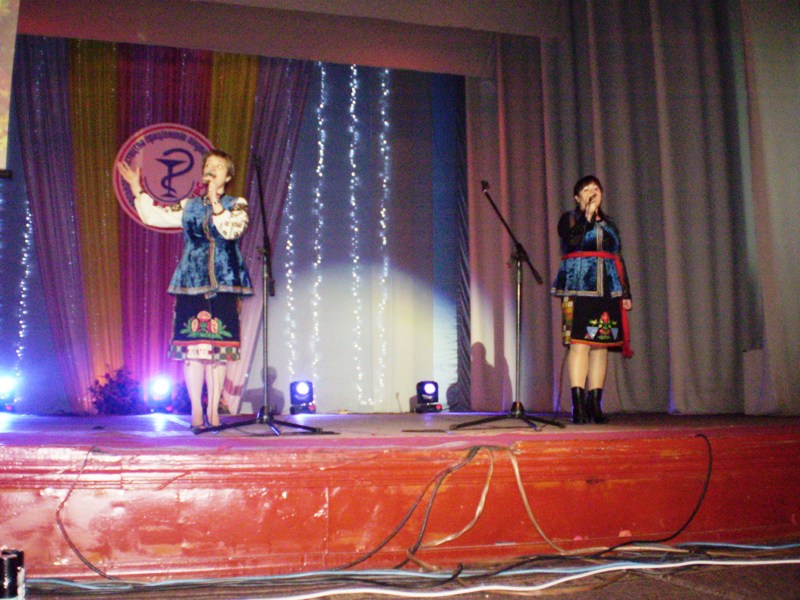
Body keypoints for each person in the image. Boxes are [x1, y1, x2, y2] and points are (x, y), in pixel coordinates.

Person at [117, 150, 253, 429]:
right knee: (194, 350)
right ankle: (196, 412)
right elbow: (154, 216)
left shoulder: (236, 204)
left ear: (228, 176)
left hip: (224, 283)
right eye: (208, 165)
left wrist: (215, 202)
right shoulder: (188, 205)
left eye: (218, 166)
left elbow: (231, 231)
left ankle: (214, 411)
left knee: (218, 351)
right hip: (191, 283)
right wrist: (136, 188)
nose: (212, 169)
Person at [551, 175, 632, 424]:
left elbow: (618, 256)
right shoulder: (569, 219)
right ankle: (577, 405)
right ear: (577, 197)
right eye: (586, 189)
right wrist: (587, 215)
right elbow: (572, 241)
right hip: (577, 287)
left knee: (601, 346)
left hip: (607, 288)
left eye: (596, 188)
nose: (592, 192)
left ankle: (594, 404)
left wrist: (626, 292)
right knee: (579, 344)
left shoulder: (609, 224)